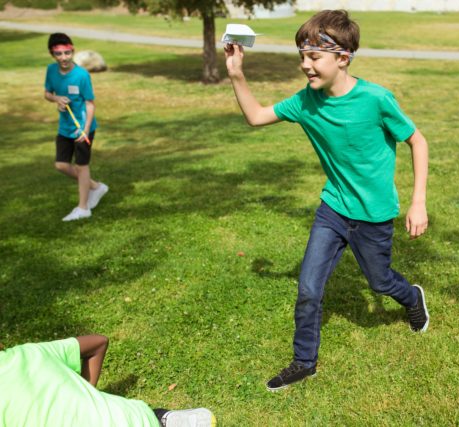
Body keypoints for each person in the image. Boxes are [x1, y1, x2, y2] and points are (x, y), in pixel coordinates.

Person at [224, 9, 430, 391]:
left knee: (380, 282)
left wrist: (418, 202)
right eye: (302, 56)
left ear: (343, 57)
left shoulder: (376, 99)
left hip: (373, 215)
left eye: (314, 57)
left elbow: (417, 141)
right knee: (308, 288)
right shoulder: (306, 102)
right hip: (333, 209)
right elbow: (255, 116)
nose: (305, 65)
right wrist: (237, 73)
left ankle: (411, 296)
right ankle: (304, 361)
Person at [0, 335, 214, 427]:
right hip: (136, 418)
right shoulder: (29, 352)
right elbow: (98, 343)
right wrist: (85, 391)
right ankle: (163, 419)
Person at [44, 33, 109, 221]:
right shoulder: (51, 71)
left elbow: (90, 103)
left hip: (83, 128)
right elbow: (47, 93)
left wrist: (86, 129)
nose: (64, 58)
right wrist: (56, 99)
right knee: (61, 165)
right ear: (52, 54)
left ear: (72, 50)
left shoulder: (82, 74)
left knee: (82, 166)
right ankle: (96, 187)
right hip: (64, 127)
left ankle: (83, 208)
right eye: (59, 54)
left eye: (67, 52)